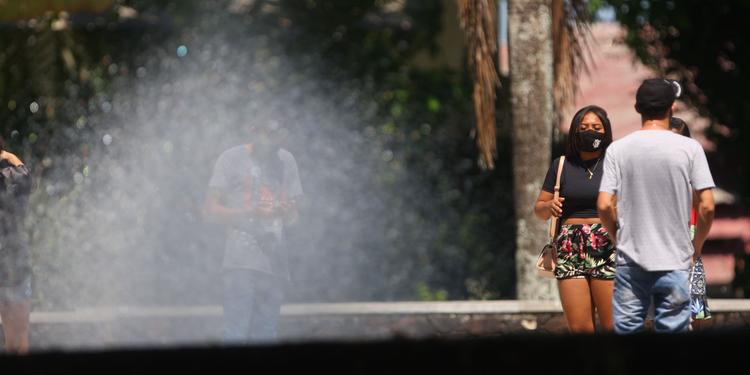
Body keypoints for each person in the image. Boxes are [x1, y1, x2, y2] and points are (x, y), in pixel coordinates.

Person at [598, 78, 715, 334]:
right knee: (673, 342)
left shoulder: (618, 150)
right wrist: (697, 245)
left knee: (627, 337)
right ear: (672, 107)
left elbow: (605, 205)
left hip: (631, 259)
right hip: (676, 258)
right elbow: (706, 207)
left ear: (638, 108)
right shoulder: (690, 148)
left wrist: (617, 238)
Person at [204, 121, 303, 343]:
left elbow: (294, 217)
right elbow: (210, 211)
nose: (274, 140)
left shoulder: (286, 160)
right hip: (240, 263)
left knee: (267, 335)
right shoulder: (231, 158)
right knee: (235, 334)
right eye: (269, 133)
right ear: (254, 131)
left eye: (279, 135)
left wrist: (286, 212)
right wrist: (252, 212)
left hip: (275, 264)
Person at [534, 105, 616, 333]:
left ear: (606, 132)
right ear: (574, 132)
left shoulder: (615, 164)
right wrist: (548, 206)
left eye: (596, 127)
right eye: (584, 127)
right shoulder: (561, 165)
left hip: (608, 245)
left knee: (614, 326)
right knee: (580, 328)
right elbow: (539, 209)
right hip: (570, 247)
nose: (590, 131)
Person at [0, 140, 33, 354]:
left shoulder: (10, 171)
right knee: (16, 337)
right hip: (11, 258)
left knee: (16, 338)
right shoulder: (11, 169)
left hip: (11, 259)